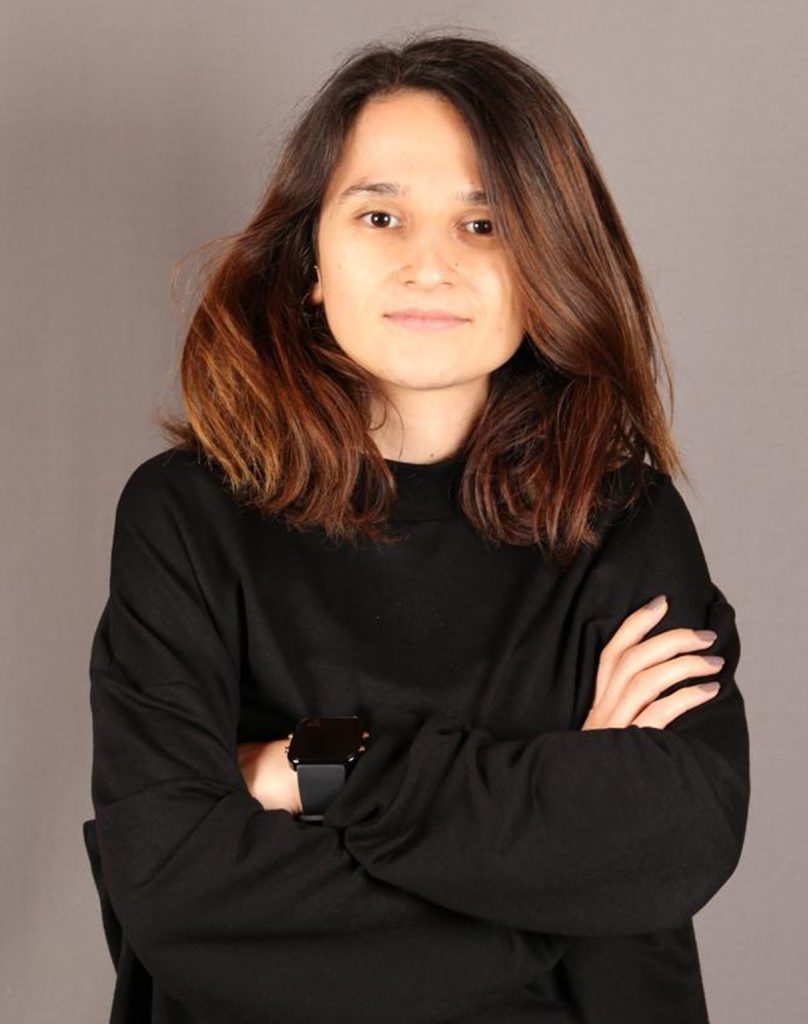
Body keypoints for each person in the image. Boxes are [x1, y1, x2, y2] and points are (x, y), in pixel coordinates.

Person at [83, 32, 750, 1023]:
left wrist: (320, 767)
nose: (428, 265)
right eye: (380, 216)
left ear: (546, 260)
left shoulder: (618, 517)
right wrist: (560, 879)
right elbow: (177, 888)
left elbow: (675, 835)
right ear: (311, 259)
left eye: (483, 224)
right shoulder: (185, 519)